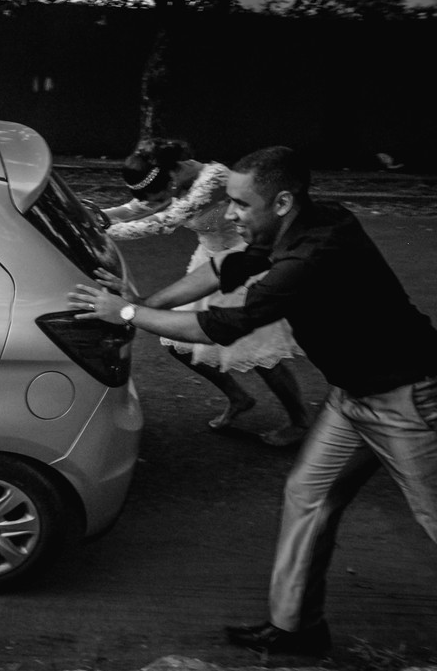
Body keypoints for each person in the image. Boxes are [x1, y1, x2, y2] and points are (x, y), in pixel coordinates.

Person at [68, 145, 437, 656]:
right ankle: (297, 628)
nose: (232, 212)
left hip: (409, 397)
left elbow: (223, 326)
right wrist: (140, 304)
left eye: (242, 204)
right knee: (308, 496)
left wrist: (127, 317)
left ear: (282, 202)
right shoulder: (300, 224)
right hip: (352, 396)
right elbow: (227, 267)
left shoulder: (314, 255)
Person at [103, 139, 311, 446]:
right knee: (176, 343)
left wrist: (105, 230)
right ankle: (238, 396)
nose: (165, 195)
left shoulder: (215, 178)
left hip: (242, 261)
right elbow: (140, 206)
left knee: (258, 353)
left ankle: (300, 420)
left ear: (173, 173)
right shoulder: (174, 180)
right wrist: (96, 214)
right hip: (206, 263)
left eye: (164, 189)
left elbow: (166, 221)